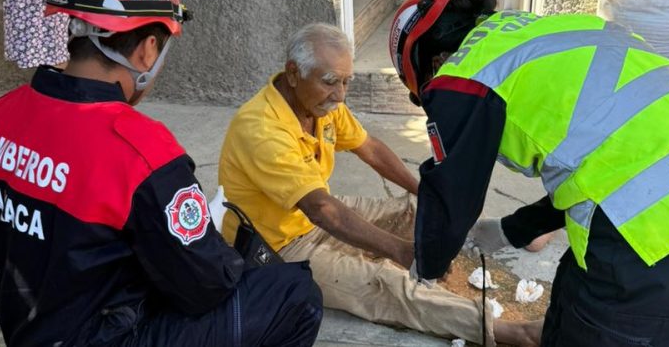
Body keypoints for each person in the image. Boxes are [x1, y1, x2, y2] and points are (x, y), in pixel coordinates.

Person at [0, 0, 322, 346]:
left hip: (32, 330)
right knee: (294, 294)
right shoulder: (142, 152)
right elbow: (205, 284)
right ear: (147, 50)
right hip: (109, 336)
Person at [389, 0, 669, 346]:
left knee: (605, 326)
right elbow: (606, 163)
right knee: (605, 312)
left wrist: (429, 261)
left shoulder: (461, 73)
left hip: (657, 220)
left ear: (430, 61)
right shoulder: (553, 30)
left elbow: (453, 190)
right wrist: (511, 230)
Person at [218, 22, 541, 346]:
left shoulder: (320, 106)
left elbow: (370, 148)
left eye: (346, 82)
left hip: (313, 217)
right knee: (386, 283)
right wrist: (400, 251)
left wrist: (424, 193)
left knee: (415, 212)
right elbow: (321, 210)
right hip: (277, 247)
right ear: (292, 73)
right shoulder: (261, 129)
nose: (340, 95)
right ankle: (506, 331)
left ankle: (491, 241)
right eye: (330, 82)